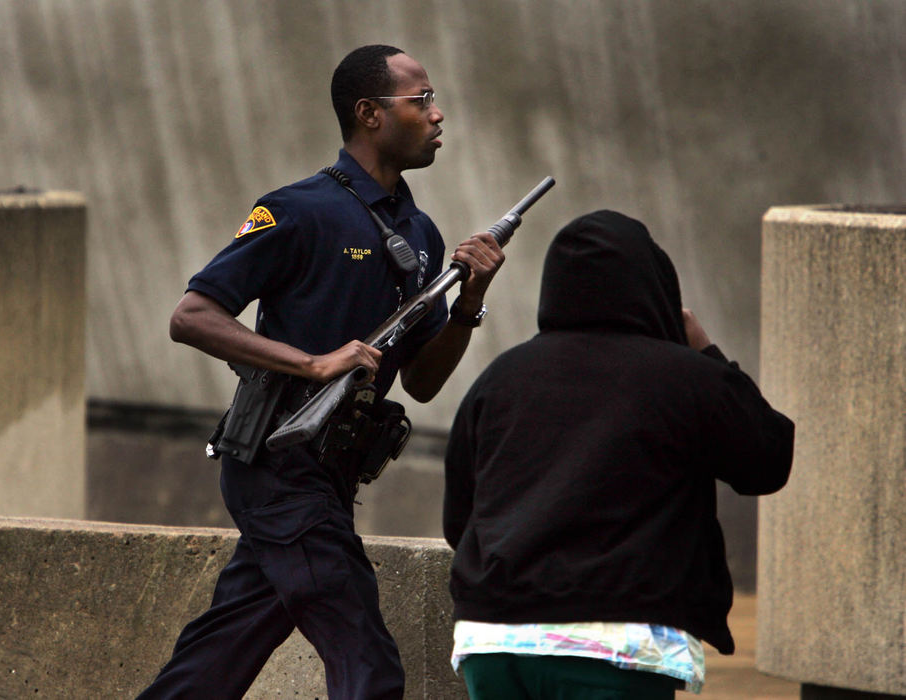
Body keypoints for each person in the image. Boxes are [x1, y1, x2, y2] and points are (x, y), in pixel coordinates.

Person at [138, 44, 506, 699]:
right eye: (420, 101)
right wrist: (315, 362)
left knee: (219, 656)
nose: (437, 114)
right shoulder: (298, 210)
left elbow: (420, 381)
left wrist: (468, 304)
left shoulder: (419, 234)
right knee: (365, 658)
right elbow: (191, 316)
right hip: (279, 464)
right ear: (369, 113)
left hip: (332, 474)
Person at [442, 210, 795, 699]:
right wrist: (707, 352)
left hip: (493, 638)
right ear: (655, 286)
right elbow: (769, 458)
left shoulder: (500, 379)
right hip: (615, 645)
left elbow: (461, 521)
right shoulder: (684, 377)